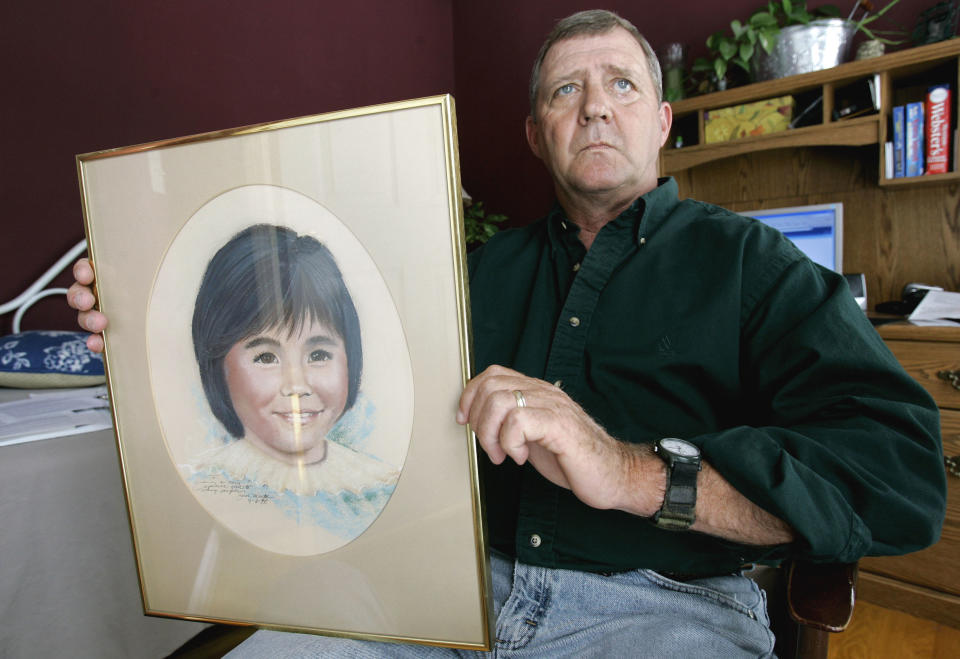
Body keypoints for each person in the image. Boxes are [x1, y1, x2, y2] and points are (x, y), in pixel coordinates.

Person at [69, 9, 946, 657]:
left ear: (662, 123)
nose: (595, 108)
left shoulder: (752, 266)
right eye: (568, 90)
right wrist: (153, 310)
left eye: (622, 85)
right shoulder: (472, 273)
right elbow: (319, 384)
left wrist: (632, 471)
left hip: (666, 612)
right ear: (537, 134)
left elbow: (898, 470)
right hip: (449, 600)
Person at [183, 224, 398, 547]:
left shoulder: (379, 486)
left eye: (319, 354)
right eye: (267, 357)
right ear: (218, 366)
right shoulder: (200, 483)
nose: (297, 386)